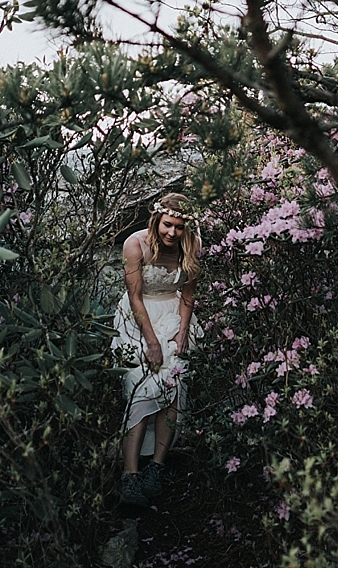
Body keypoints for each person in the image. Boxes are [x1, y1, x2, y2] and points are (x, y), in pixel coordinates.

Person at [110, 192, 202, 506]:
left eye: (179, 227)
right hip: (139, 318)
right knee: (141, 389)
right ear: (156, 220)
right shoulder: (134, 245)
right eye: (167, 225)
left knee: (172, 390)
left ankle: (157, 468)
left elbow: (188, 295)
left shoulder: (192, 247)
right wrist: (151, 342)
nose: (172, 233)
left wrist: (182, 334)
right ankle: (130, 475)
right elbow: (135, 297)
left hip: (173, 316)